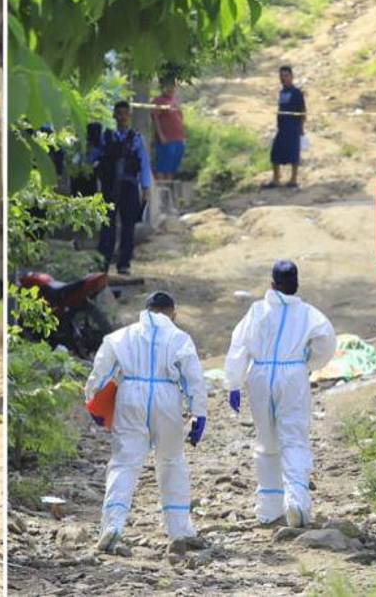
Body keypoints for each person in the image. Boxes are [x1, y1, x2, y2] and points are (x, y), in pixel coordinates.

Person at [84, 291, 207, 555]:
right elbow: (193, 379)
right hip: (167, 399)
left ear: (146, 309)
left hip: (130, 396)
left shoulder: (120, 337)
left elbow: (100, 372)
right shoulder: (179, 338)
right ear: (172, 312)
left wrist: (92, 400)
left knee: (124, 463)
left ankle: (112, 526)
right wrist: (198, 413)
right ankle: (179, 531)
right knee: (172, 462)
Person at [224, 260, 336, 527]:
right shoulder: (309, 314)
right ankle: (296, 500)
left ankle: (269, 507)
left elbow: (239, 345)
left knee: (266, 442)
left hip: (260, 376)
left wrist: (234, 383)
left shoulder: (256, 311)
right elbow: (327, 341)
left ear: (272, 284)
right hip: (292, 375)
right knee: (294, 437)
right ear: (296, 285)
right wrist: (309, 361)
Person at [92, 101, 153, 275]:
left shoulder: (136, 139)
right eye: (119, 113)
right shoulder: (107, 137)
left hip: (129, 186)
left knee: (128, 226)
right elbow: (94, 158)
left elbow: (144, 164)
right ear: (114, 116)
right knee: (107, 226)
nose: (122, 117)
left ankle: (124, 264)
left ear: (129, 115)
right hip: (109, 187)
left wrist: (146, 188)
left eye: (125, 113)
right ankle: (103, 262)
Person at [265, 65, 305, 189]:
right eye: (281, 76)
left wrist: (301, 127)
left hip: (293, 127)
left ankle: (293, 180)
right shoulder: (282, 92)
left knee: (293, 154)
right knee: (275, 153)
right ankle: (276, 179)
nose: (283, 78)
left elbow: (302, 111)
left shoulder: (296, 93)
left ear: (291, 77)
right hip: (282, 128)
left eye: (286, 76)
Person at [150, 75, 186, 181]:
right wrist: (160, 135)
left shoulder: (175, 100)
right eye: (168, 86)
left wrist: (183, 136)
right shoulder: (158, 101)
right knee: (163, 164)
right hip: (166, 139)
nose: (171, 89)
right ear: (163, 87)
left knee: (173, 165)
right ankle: (161, 186)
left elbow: (180, 118)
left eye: (173, 86)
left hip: (178, 138)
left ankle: (169, 186)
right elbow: (155, 119)